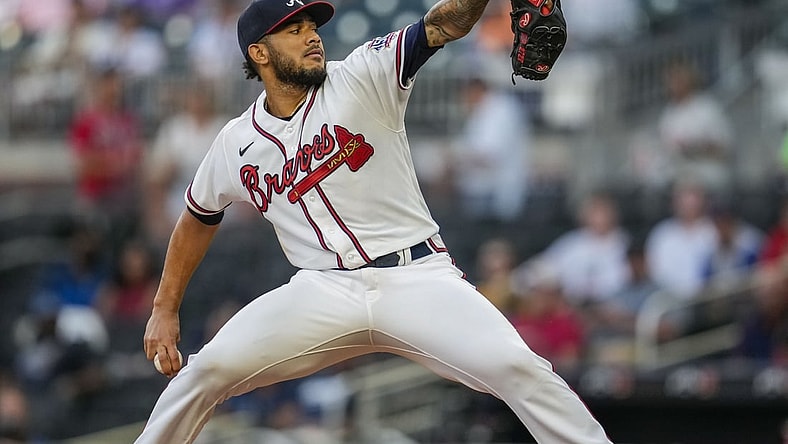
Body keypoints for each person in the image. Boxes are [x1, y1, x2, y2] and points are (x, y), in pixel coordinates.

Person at [135, 1, 612, 443]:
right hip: (322, 290)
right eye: (294, 30)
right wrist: (164, 306)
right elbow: (198, 217)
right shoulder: (235, 141)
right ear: (258, 52)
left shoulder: (363, 73)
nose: (312, 37)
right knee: (204, 372)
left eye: (312, 27)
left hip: (415, 277)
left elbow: (445, 22)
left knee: (518, 367)